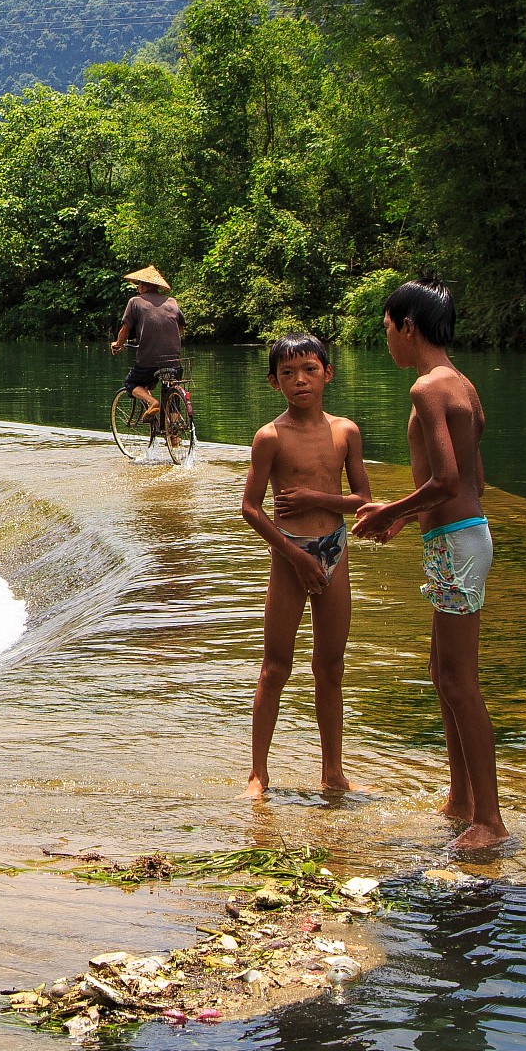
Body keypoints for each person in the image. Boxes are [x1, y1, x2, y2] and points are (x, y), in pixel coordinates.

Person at [351, 277, 510, 852]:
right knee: (440, 671)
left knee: (459, 681)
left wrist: (391, 508)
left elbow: (445, 480)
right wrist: (406, 520)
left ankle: (489, 821)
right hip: (462, 537)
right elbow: (475, 480)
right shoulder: (461, 383)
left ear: (407, 326)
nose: (387, 340)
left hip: (457, 542)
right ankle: (462, 799)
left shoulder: (427, 389)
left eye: (387, 329)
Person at [238, 333, 372, 799]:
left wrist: (319, 497)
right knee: (276, 665)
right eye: (288, 374)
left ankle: (332, 772)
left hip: (333, 548)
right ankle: (258, 773)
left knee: (330, 666)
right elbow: (250, 508)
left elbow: (361, 500)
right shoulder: (270, 437)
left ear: (327, 373)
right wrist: (292, 555)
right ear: (274, 382)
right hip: (288, 553)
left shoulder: (345, 432)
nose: (301, 381)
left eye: (310, 370)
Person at [109, 265, 183, 421]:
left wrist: (118, 344)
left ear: (142, 285)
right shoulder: (172, 302)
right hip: (174, 361)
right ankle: (175, 434)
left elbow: (125, 329)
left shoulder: (135, 302)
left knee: (131, 382)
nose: (137, 288)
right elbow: (181, 328)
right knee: (173, 391)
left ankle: (151, 402)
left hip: (149, 360)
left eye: (138, 285)